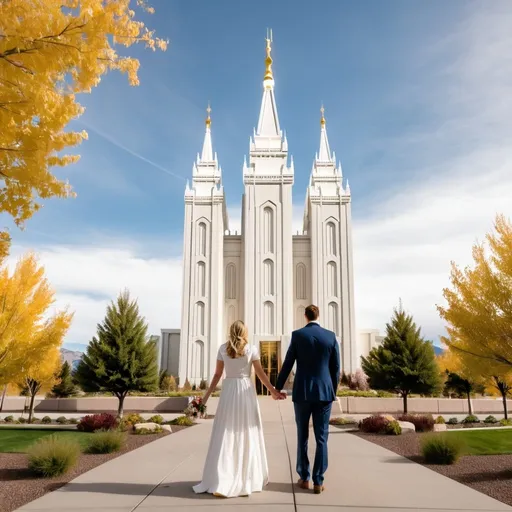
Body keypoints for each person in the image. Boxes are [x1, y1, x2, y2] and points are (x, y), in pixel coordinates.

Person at [193, 320, 286, 498]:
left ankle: (222, 476)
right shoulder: (251, 349)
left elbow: (217, 375)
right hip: (245, 392)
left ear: (230, 331)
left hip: (229, 392)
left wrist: (204, 398)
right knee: (246, 431)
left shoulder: (222, 349)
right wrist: (273, 391)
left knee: (225, 432)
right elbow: (260, 374)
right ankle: (248, 477)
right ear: (244, 332)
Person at [275, 304, 340, 494]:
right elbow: (336, 368)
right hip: (324, 394)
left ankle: (304, 478)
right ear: (318, 315)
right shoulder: (330, 336)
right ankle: (319, 480)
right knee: (322, 437)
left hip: (302, 392)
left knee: (302, 435)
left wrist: (277, 388)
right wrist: (332, 390)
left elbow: (288, 363)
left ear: (305, 316)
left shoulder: (297, 335)